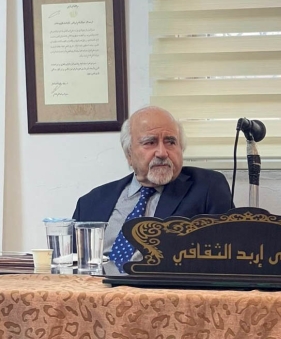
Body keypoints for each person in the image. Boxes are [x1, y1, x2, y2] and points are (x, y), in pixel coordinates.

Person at [73, 106, 233, 269]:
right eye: (150, 142)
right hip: (97, 284)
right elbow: (71, 266)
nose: (162, 153)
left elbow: (228, 259)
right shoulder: (90, 203)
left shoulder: (206, 188)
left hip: (164, 284)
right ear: (129, 154)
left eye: (171, 142)